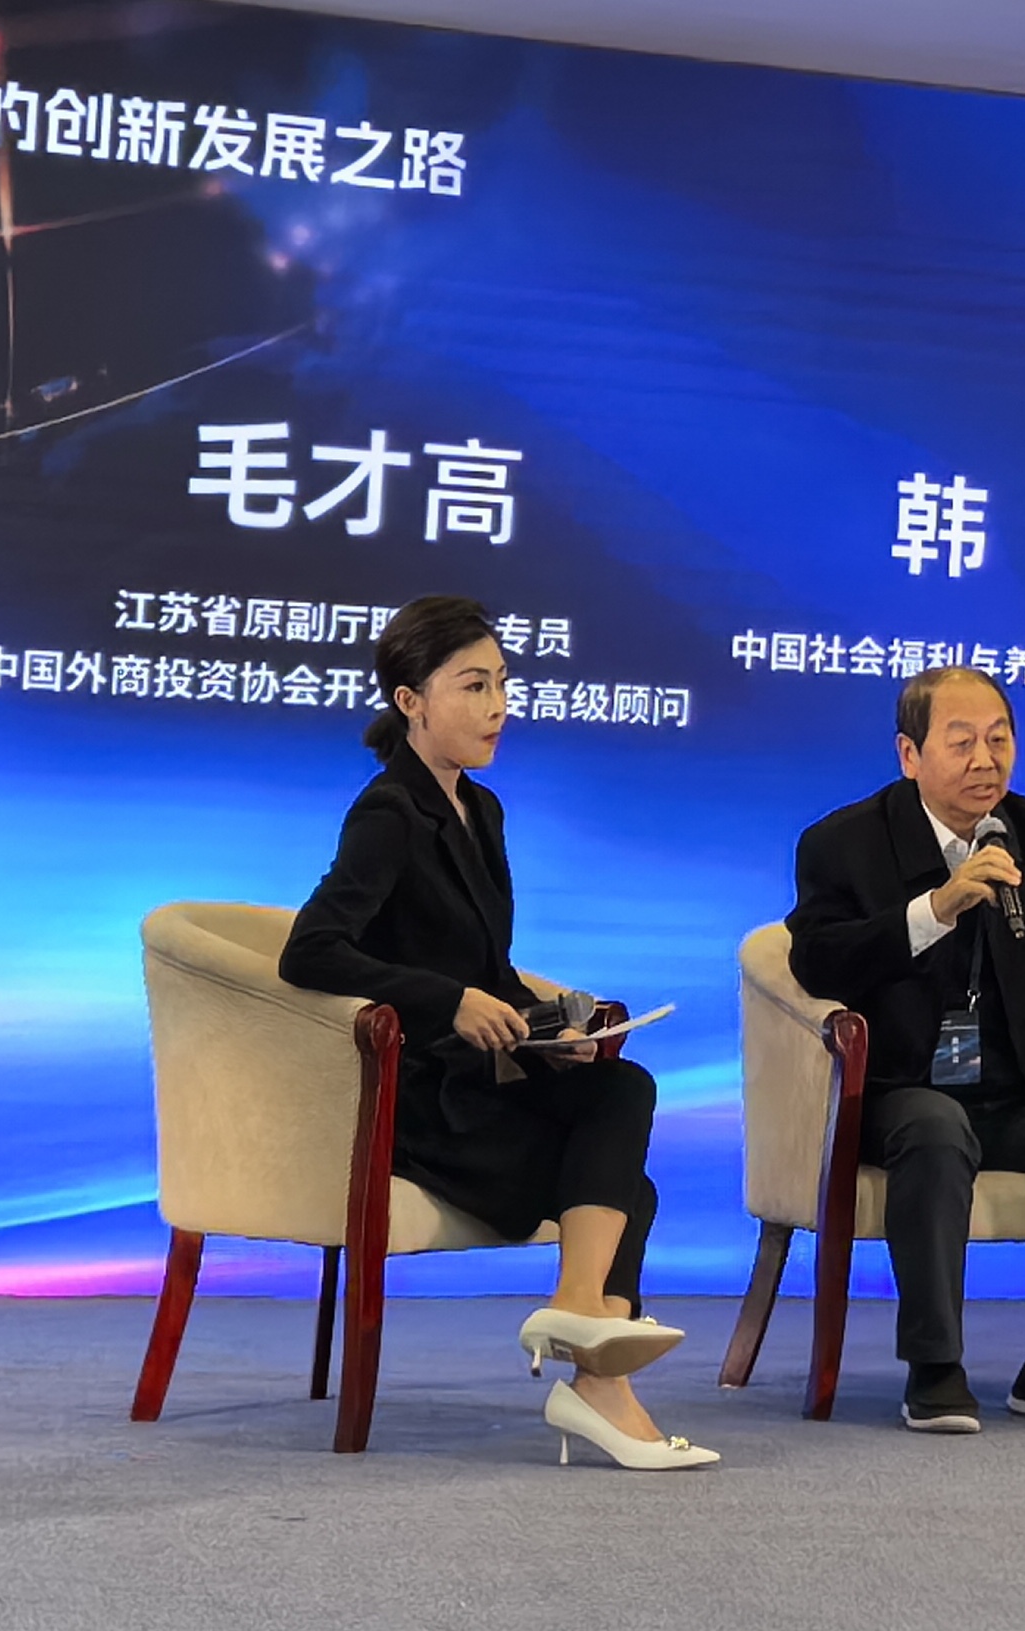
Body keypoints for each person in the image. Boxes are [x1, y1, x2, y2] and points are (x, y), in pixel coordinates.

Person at [278, 595, 706, 1471]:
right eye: (473, 686)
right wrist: (447, 1000)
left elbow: (490, 966)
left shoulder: (483, 808)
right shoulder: (388, 812)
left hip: (486, 1083)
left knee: (621, 1085)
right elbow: (311, 950)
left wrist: (556, 1024)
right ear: (412, 701)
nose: (498, 706)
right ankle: (594, 1369)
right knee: (629, 1189)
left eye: (503, 683)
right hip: (423, 1104)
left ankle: (583, 1328)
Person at [786, 665, 1025, 1433]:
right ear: (910, 753)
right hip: (904, 1088)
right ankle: (935, 1365)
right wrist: (935, 908)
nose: (985, 760)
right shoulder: (843, 841)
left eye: (999, 740)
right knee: (935, 1126)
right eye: (961, 742)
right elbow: (818, 961)